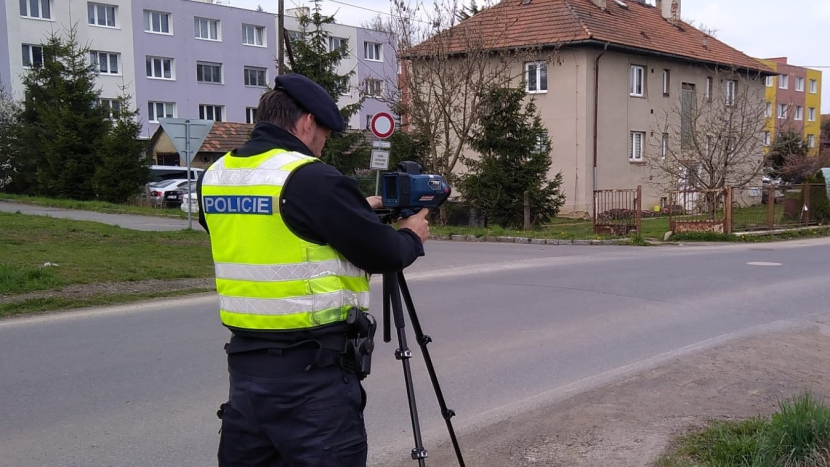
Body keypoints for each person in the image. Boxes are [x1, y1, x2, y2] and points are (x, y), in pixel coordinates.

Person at [198, 73, 430, 467]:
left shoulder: (217, 176)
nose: (322, 145)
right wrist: (411, 235)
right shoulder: (309, 176)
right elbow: (384, 253)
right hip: (312, 380)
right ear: (307, 122)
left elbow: (273, 227)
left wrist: (351, 211)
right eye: (324, 132)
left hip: (247, 375)